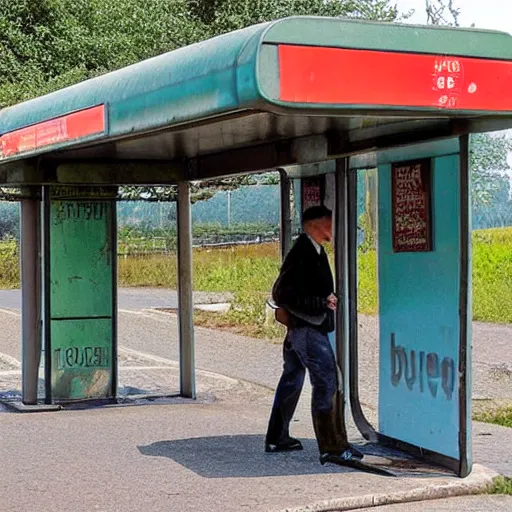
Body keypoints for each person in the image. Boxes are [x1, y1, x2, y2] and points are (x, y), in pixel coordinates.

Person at [265, 205, 362, 464]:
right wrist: (321, 303)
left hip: (301, 329)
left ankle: (277, 437)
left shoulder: (314, 250)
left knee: (293, 379)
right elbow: (282, 293)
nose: (332, 229)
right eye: (328, 224)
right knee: (328, 381)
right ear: (314, 225)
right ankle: (331, 447)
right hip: (307, 329)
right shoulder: (303, 252)